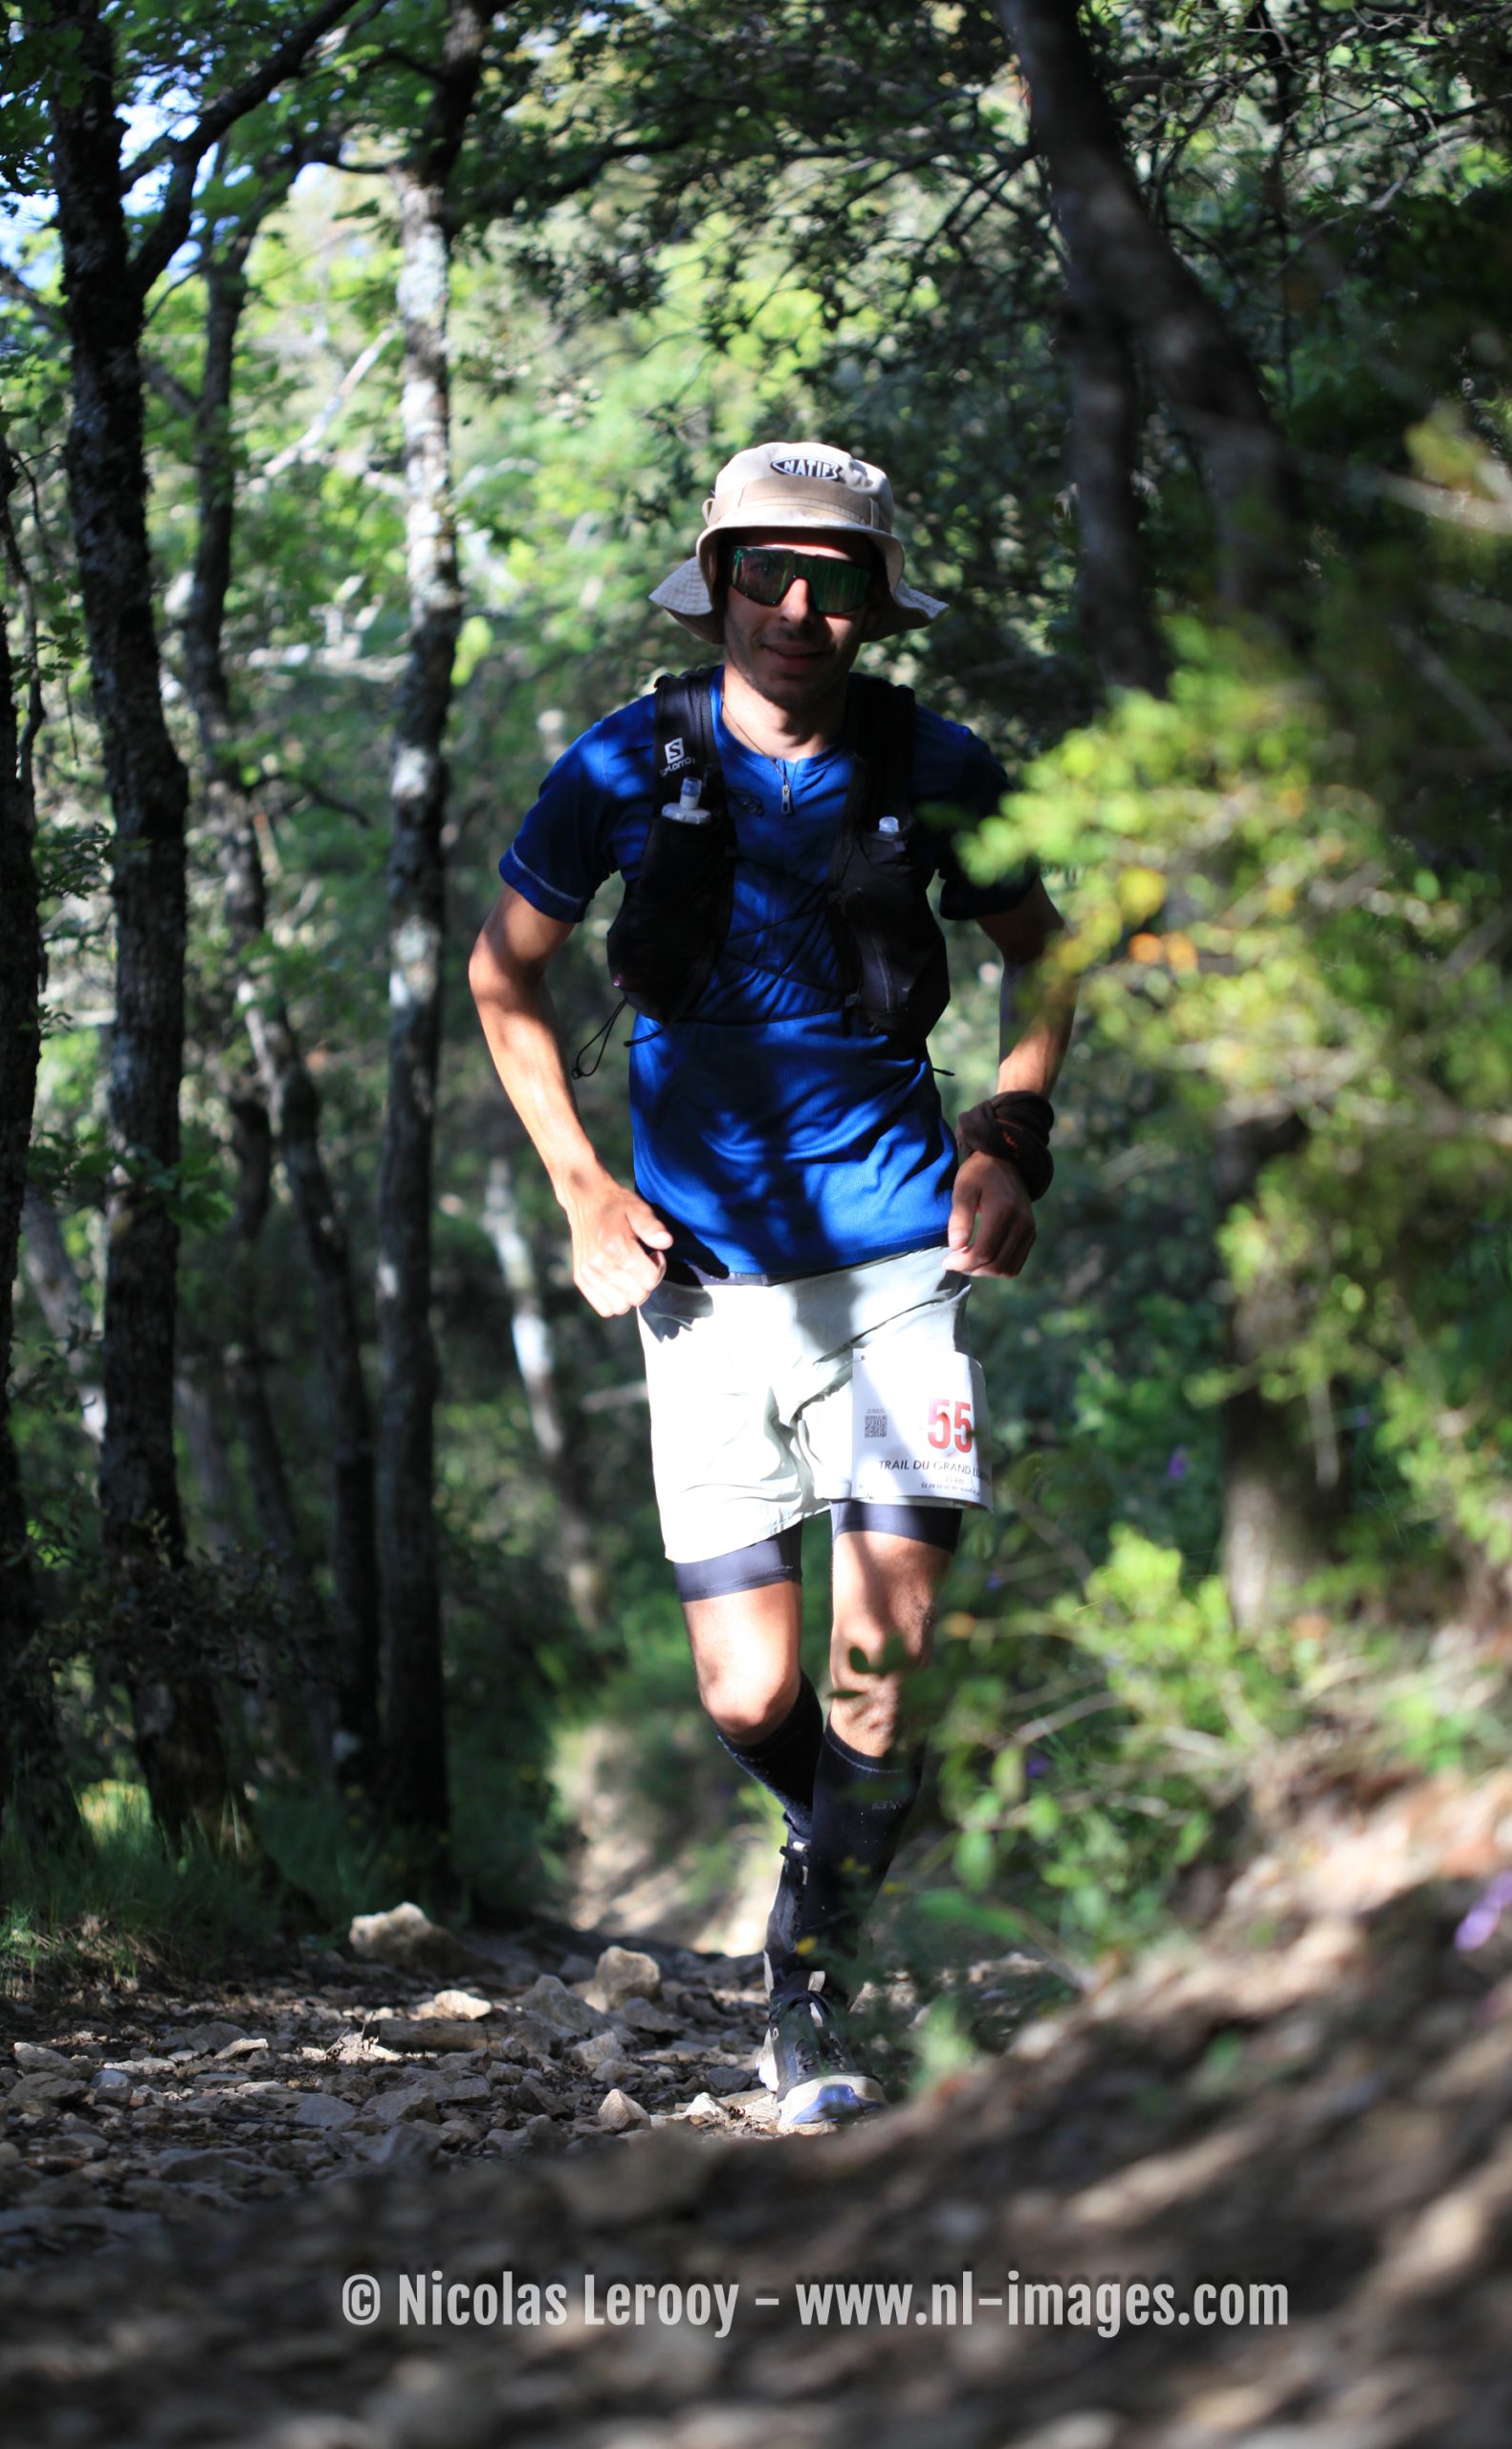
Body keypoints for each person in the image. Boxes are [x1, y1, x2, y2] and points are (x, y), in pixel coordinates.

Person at [470, 441, 1073, 2129]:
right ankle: (865, 1838)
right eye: (766, 573)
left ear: (876, 603)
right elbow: (503, 977)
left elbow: (1046, 953)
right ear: (716, 581)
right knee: (750, 1692)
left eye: (835, 579)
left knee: (888, 1658)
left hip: (897, 1269)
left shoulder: (935, 763)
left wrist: (1012, 1134)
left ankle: (815, 1989)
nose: (797, 609)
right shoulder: (624, 762)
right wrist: (582, 1186)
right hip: (698, 1288)